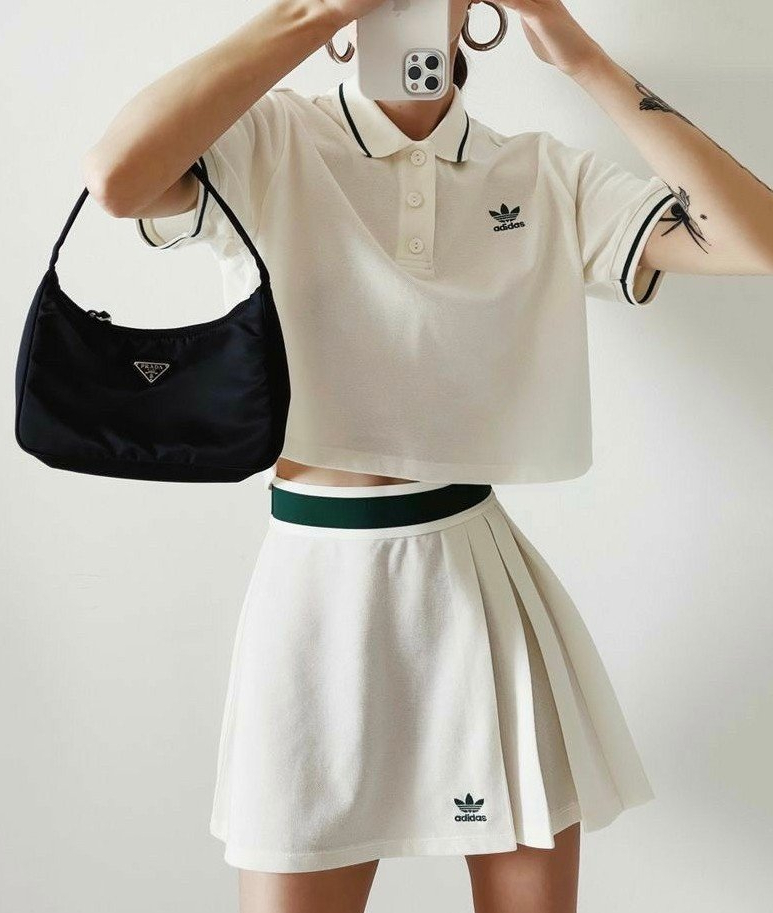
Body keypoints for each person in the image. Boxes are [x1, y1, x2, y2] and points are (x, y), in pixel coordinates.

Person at [82, 1, 773, 910]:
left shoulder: (540, 173)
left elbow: (754, 239)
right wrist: (310, 13)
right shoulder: (269, 140)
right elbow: (117, 179)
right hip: (312, 598)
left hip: (475, 589)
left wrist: (580, 57)